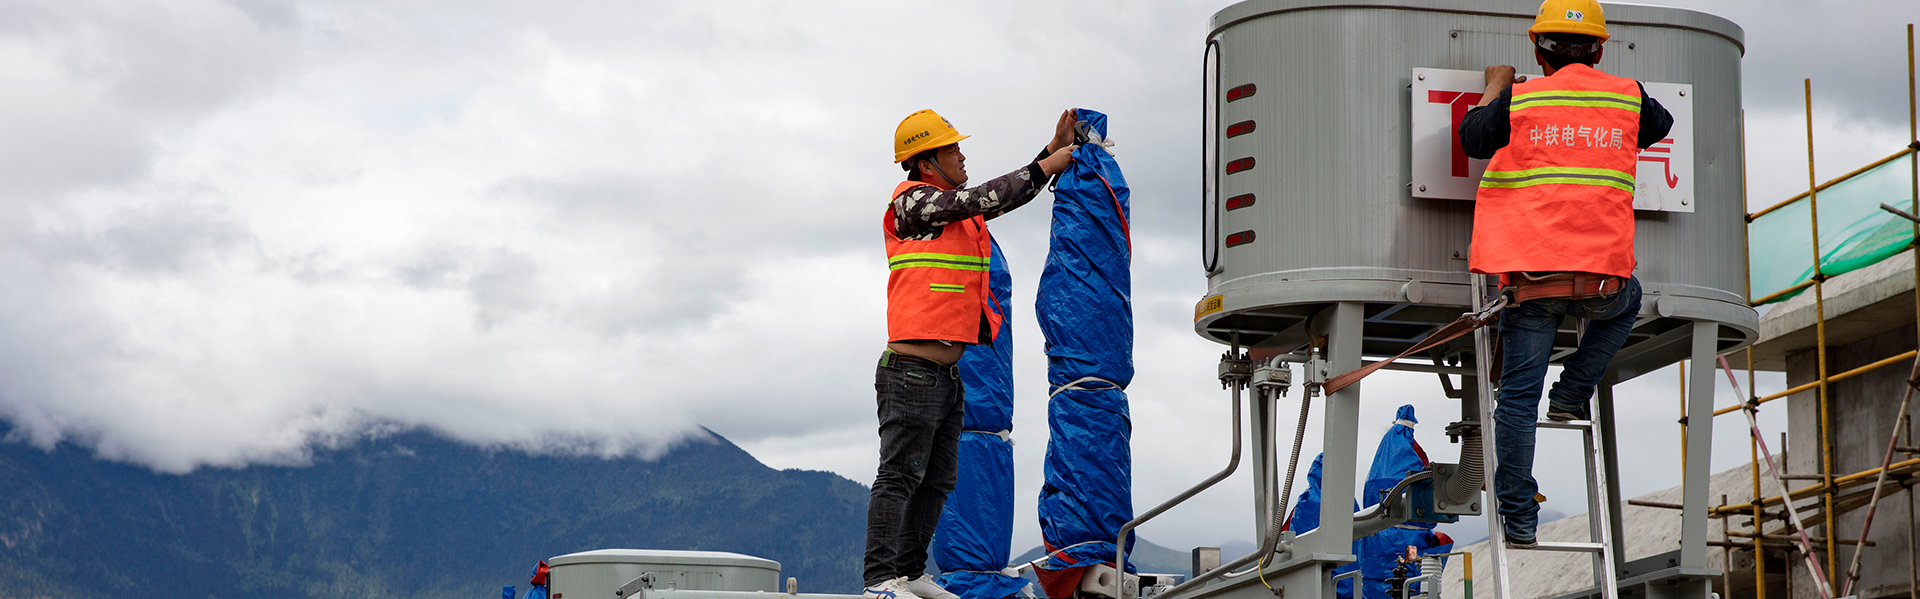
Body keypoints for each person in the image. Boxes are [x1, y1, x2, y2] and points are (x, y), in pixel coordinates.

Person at [1456, 0, 1672, 549]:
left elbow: (1473, 140)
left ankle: (1518, 518)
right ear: (1599, 51)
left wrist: (1496, 86)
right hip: (1604, 283)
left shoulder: (1521, 98)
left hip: (1533, 283)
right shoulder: (1627, 95)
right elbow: (1660, 125)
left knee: (1516, 401)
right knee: (1630, 301)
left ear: (1538, 50)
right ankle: (1572, 392)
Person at [865, 108, 1077, 599]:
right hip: (911, 371)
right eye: (953, 149)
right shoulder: (912, 202)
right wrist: (1048, 165)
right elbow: (984, 196)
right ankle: (878, 581)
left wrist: (1050, 151)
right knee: (899, 475)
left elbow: (1003, 196)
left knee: (938, 479)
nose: (962, 156)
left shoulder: (956, 213)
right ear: (926, 163)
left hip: (946, 375)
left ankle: (909, 572)